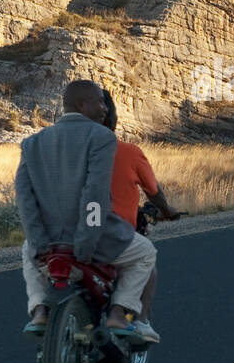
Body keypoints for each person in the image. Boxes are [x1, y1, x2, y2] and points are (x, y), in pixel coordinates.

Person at [15, 79, 157, 339]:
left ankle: (39, 310)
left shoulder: (32, 143)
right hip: (93, 239)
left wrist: (38, 241)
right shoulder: (101, 136)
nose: (105, 108)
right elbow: (95, 195)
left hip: (49, 239)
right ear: (82, 105)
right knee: (146, 253)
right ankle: (118, 312)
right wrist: (85, 244)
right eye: (99, 102)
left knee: (27, 252)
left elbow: (25, 199)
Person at [100, 89, 180, 343]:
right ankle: (139, 320)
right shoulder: (128, 152)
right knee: (146, 259)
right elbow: (153, 191)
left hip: (65, 233)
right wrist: (167, 211)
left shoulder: (64, 151)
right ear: (113, 120)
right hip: (114, 236)